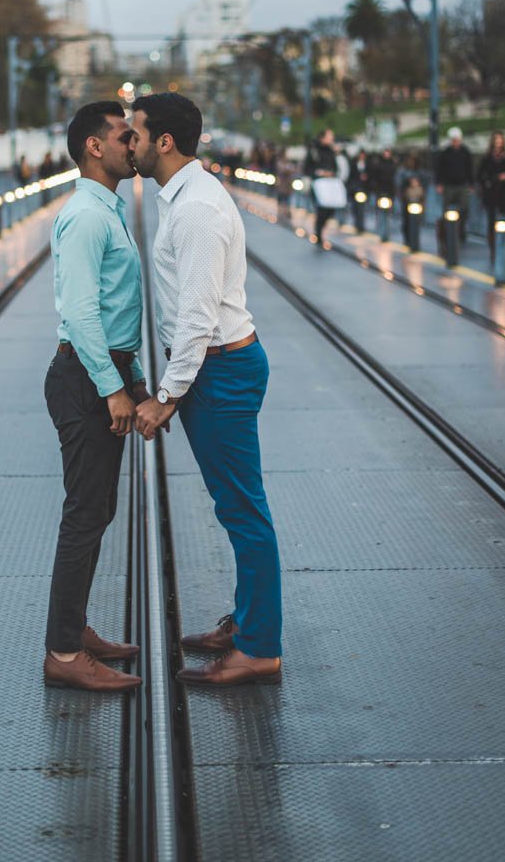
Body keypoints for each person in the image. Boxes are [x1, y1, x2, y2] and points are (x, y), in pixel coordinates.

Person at [129, 92, 282, 687]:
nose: (130, 142)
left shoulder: (194, 210)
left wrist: (166, 397)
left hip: (218, 370)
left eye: (136, 133)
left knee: (244, 511)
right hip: (216, 367)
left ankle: (260, 646)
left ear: (164, 141)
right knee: (236, 506)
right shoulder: (186, 196)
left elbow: (195, 316)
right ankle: (247, 623)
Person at [43, 101, 147, 692]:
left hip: (101, 373)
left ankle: (74, 629)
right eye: (123, 135)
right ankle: (62, 653)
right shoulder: (86, 216)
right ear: (93, 146)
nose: (133, 144)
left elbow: (112, 309)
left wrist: (130, 380)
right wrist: (113, 389)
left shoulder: (107, 210)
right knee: (84, 515)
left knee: (98, 510)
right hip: (84, 378)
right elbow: (81, 314)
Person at [477, 130, 505, 260]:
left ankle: (503, 247)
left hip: (504, 194)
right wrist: (495, 178)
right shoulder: (487, 158)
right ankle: (493, 250)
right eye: (496, 140)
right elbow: (480, 176)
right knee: (491, 222)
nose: (498, 143)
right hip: (490, 194)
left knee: (504, 221)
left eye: (500, 140)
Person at [435, 127, 474, 243]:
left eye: (457, 140)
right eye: (453, 140)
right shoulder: (445, 153)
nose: (455, 142)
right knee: (447, 210)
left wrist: (471, 184)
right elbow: (439, 169)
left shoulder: (465, 152)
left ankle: (461, 231)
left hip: (462, 185)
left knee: (464, 209)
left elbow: (470, 168)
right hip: (448, 186)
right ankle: (447, 232)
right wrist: (439, 184)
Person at [304, 128, 339, 245]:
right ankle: (318, 233)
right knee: (321, 210)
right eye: (330, 137)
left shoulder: (331, 151)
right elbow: (307, 168)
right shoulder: (314, 150)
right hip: (318, 184)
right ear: (322, 138)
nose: (332, 139)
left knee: (331, 209)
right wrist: (318, 172)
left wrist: (331, 172)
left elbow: (336, 167)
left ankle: (320, 229)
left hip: (330, 184)